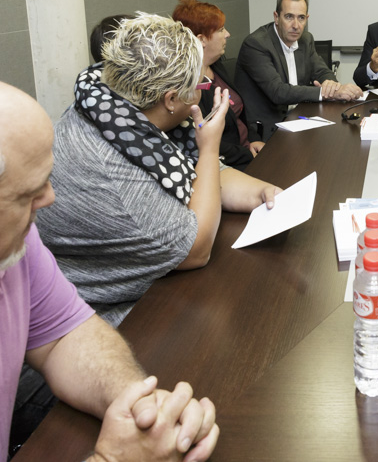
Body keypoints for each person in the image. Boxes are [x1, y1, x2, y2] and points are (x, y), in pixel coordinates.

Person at [0, 81, 218, 461]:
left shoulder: (18, 242)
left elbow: (65, 334)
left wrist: (141, 406)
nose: (50, 198)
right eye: (27, 195)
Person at [37, 13, 282, 327]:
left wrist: (260, 192)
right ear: (171, 99)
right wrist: (209, 146)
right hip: (108, 321)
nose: (203, 91)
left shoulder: (112, 96)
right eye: (199, 85)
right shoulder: (114, 174)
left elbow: (202, 173)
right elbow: (196, 248)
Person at [235, 0, 362, 139]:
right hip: (266, 130)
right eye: (289, 17)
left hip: (299, 118)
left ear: (307, 18)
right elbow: (278, 92)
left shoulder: (305, 39)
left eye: (301, 18)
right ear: (276, 17)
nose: (296, 25)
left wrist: (333, 85)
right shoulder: (257, 44)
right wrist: (326, 93)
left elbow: (321, 71)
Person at [173, 0, 265, 171]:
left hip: (248, 150)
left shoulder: (217, 66)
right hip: (230, 166)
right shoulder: (191, 88)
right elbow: (207, 140)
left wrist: (252, 139)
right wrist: (247, 155)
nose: (228, 34)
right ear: (201, 39)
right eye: (221, 29)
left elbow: (239, 114)